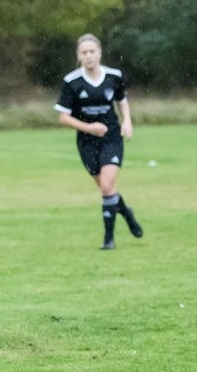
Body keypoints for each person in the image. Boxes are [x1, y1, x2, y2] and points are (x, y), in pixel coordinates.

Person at [54, 34, 143, 249]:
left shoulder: (114, 76)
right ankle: (125, 212)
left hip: (112, 137)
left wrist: (127, 121)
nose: (88, 56)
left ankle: (108, 240)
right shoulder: (72, 81)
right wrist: (89, 128)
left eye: (92, 51)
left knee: (106, 185)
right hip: (86, 142)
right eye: (84, 52)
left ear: (99, 53)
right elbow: (63, 117)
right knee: (107, 189)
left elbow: (122, 101)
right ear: (78, 56)